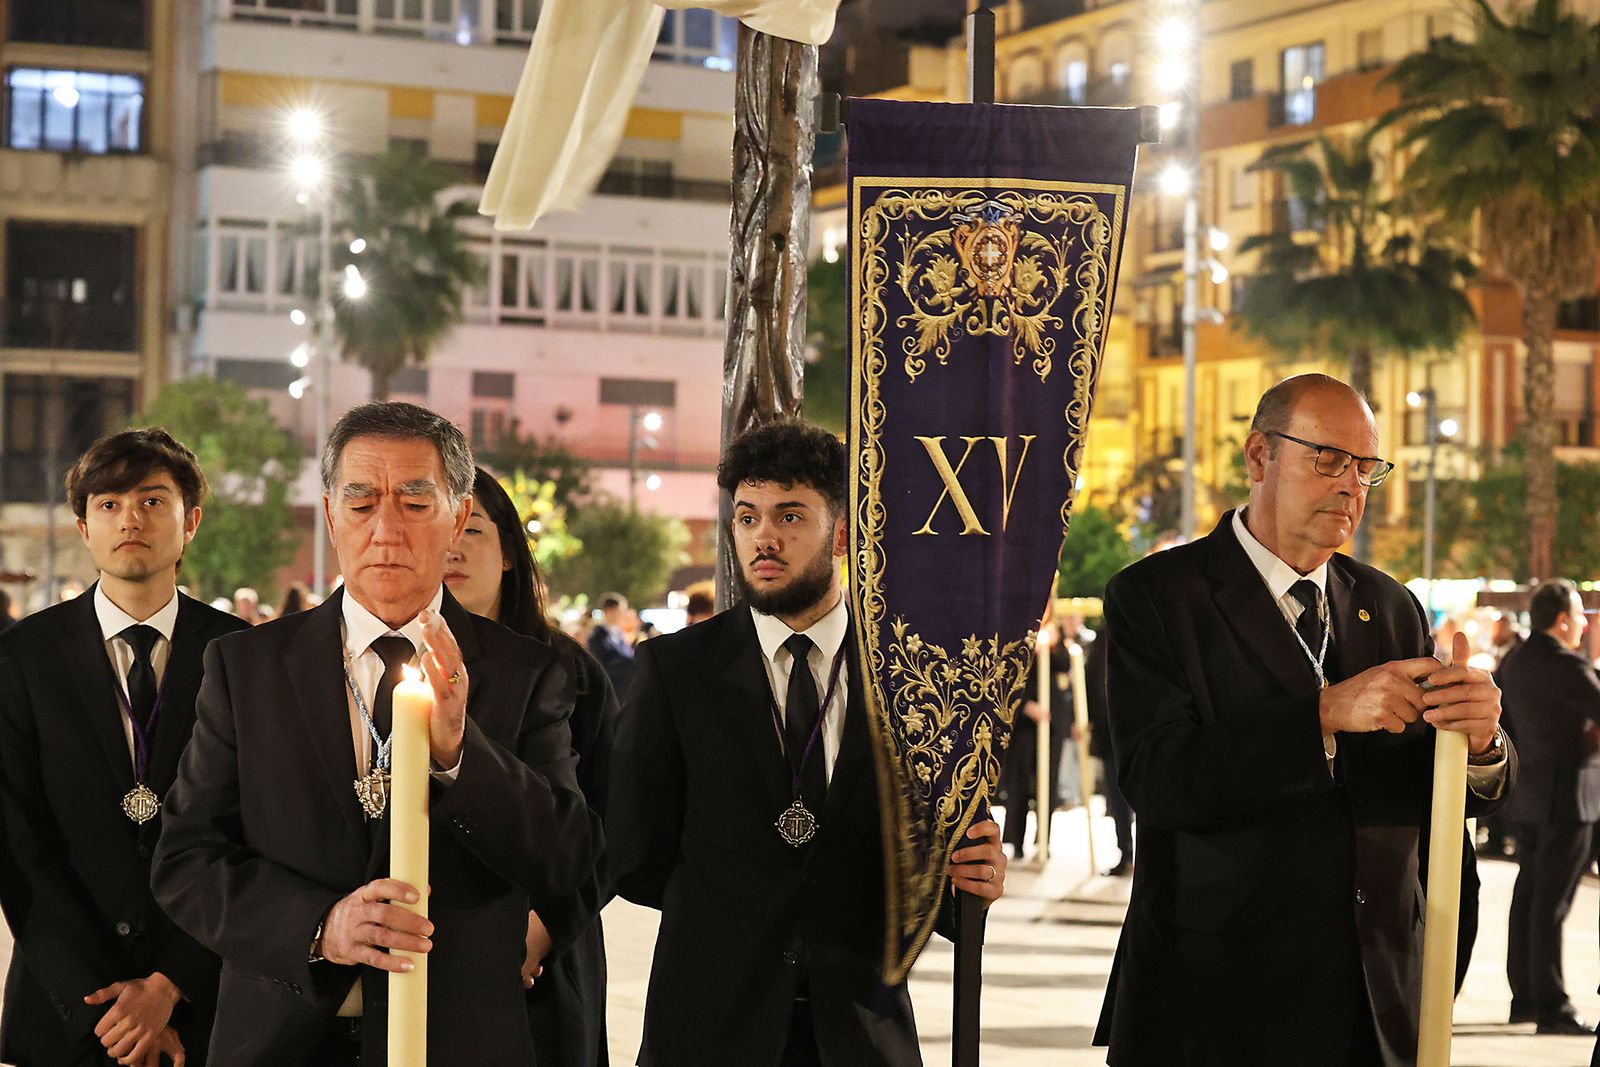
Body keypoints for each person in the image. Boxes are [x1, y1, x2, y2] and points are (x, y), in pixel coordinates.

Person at [151, 402, 595, 1065]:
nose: (386, 528)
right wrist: (321, 926)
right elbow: (185, 861)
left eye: (415, 504)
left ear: (457, 515)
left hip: (458, 1040)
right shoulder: (248, 667)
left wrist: (460, 754)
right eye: (361, 505)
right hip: (281, 1038)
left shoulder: (526, 671)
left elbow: (564, 860)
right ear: (331, 516)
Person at [1093, 374, 1515, 1066]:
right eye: (1328, 458)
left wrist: (1481, 741)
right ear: (1259, 457)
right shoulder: (1159, 597)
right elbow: (1158, 776)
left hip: (1373, 1004)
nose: (1351, 485)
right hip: (1218, 1007)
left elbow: (1430, 794)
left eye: (1365, 468)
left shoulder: (1391, 605)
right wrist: (1322, 715)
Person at [608, 418, 1007, 1066]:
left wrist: (973, 879)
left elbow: (946, 869)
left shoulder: (915, 675)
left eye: (790, 516)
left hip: (859, 1033)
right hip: (709, 1031)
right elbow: (634, 852)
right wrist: (737, 905)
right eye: (747, 516)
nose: (764, 536)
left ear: (844, 532)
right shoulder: (676, 670)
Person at [0, 428, 248, 1066]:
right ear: (83, 527)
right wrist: (105, 1008)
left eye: (151, 501)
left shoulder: (244, 656)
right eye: (107, 504)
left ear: (190, 522)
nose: (129, 518)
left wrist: (172, 984)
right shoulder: (23, 657)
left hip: (205, 1009)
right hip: (64, 1010)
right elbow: (18, 842)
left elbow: (256, 831)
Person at [447, 467, 616, 1066]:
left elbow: (611, 820)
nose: (452, 547)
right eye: (441, 526)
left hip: (545, 954)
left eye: (473, 529)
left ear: (511, 553)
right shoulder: (399, 662)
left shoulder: (571, 671)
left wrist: (548, 924)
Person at [1500, 579, 1600, 1035]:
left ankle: (1523, 994)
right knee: (1550, 905)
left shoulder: (1515, 661)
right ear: (1562, 619)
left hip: (1525, 795)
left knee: (1529, 897)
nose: (1583, 623)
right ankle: (1550, 1003)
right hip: (1567, 798)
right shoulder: (1567, 666)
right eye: (1579, 615)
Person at [587, 591, 636, 696]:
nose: (622, 615)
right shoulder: (598, 636)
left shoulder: (618, 632)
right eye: (620, 611)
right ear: (609, 611)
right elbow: (600, 663)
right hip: (612, 688)